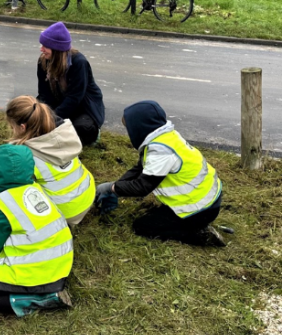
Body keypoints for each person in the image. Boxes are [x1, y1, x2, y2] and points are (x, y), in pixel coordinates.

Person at [95, 100, 225, 246]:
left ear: (139, 128)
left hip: (200, 208)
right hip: (206, 199)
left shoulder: (161, 152)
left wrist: (111, 188)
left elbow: (142, 187)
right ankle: (193, 224)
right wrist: (117, 187)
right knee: (154, 217)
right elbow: (139, 169)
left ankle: (200, 235)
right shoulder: (166, 137)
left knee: (142, 227)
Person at [0, 144, 74, 317]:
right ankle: (48, 291)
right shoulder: (36, 189)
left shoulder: (2, 203)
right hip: (61, 265)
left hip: (39, 274)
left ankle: (43, 299)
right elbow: (20, 223)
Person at [6, 95, 95, 227]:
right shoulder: (63, 134)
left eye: (12, 126)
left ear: (22, 127)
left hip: (64, 212)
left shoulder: (23, 155)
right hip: (87, 197)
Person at [36, 22, 105, 146]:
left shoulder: (79, 63)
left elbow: (75, 98)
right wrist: (45, 115)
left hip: (83, 107)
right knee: (30, 114)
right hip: (59, 103)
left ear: (56, 49)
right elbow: (44, 94)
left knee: (83, 128)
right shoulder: (43, 62)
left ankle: (93, 133)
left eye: (45, 46)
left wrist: (53, 119)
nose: (41, 49)